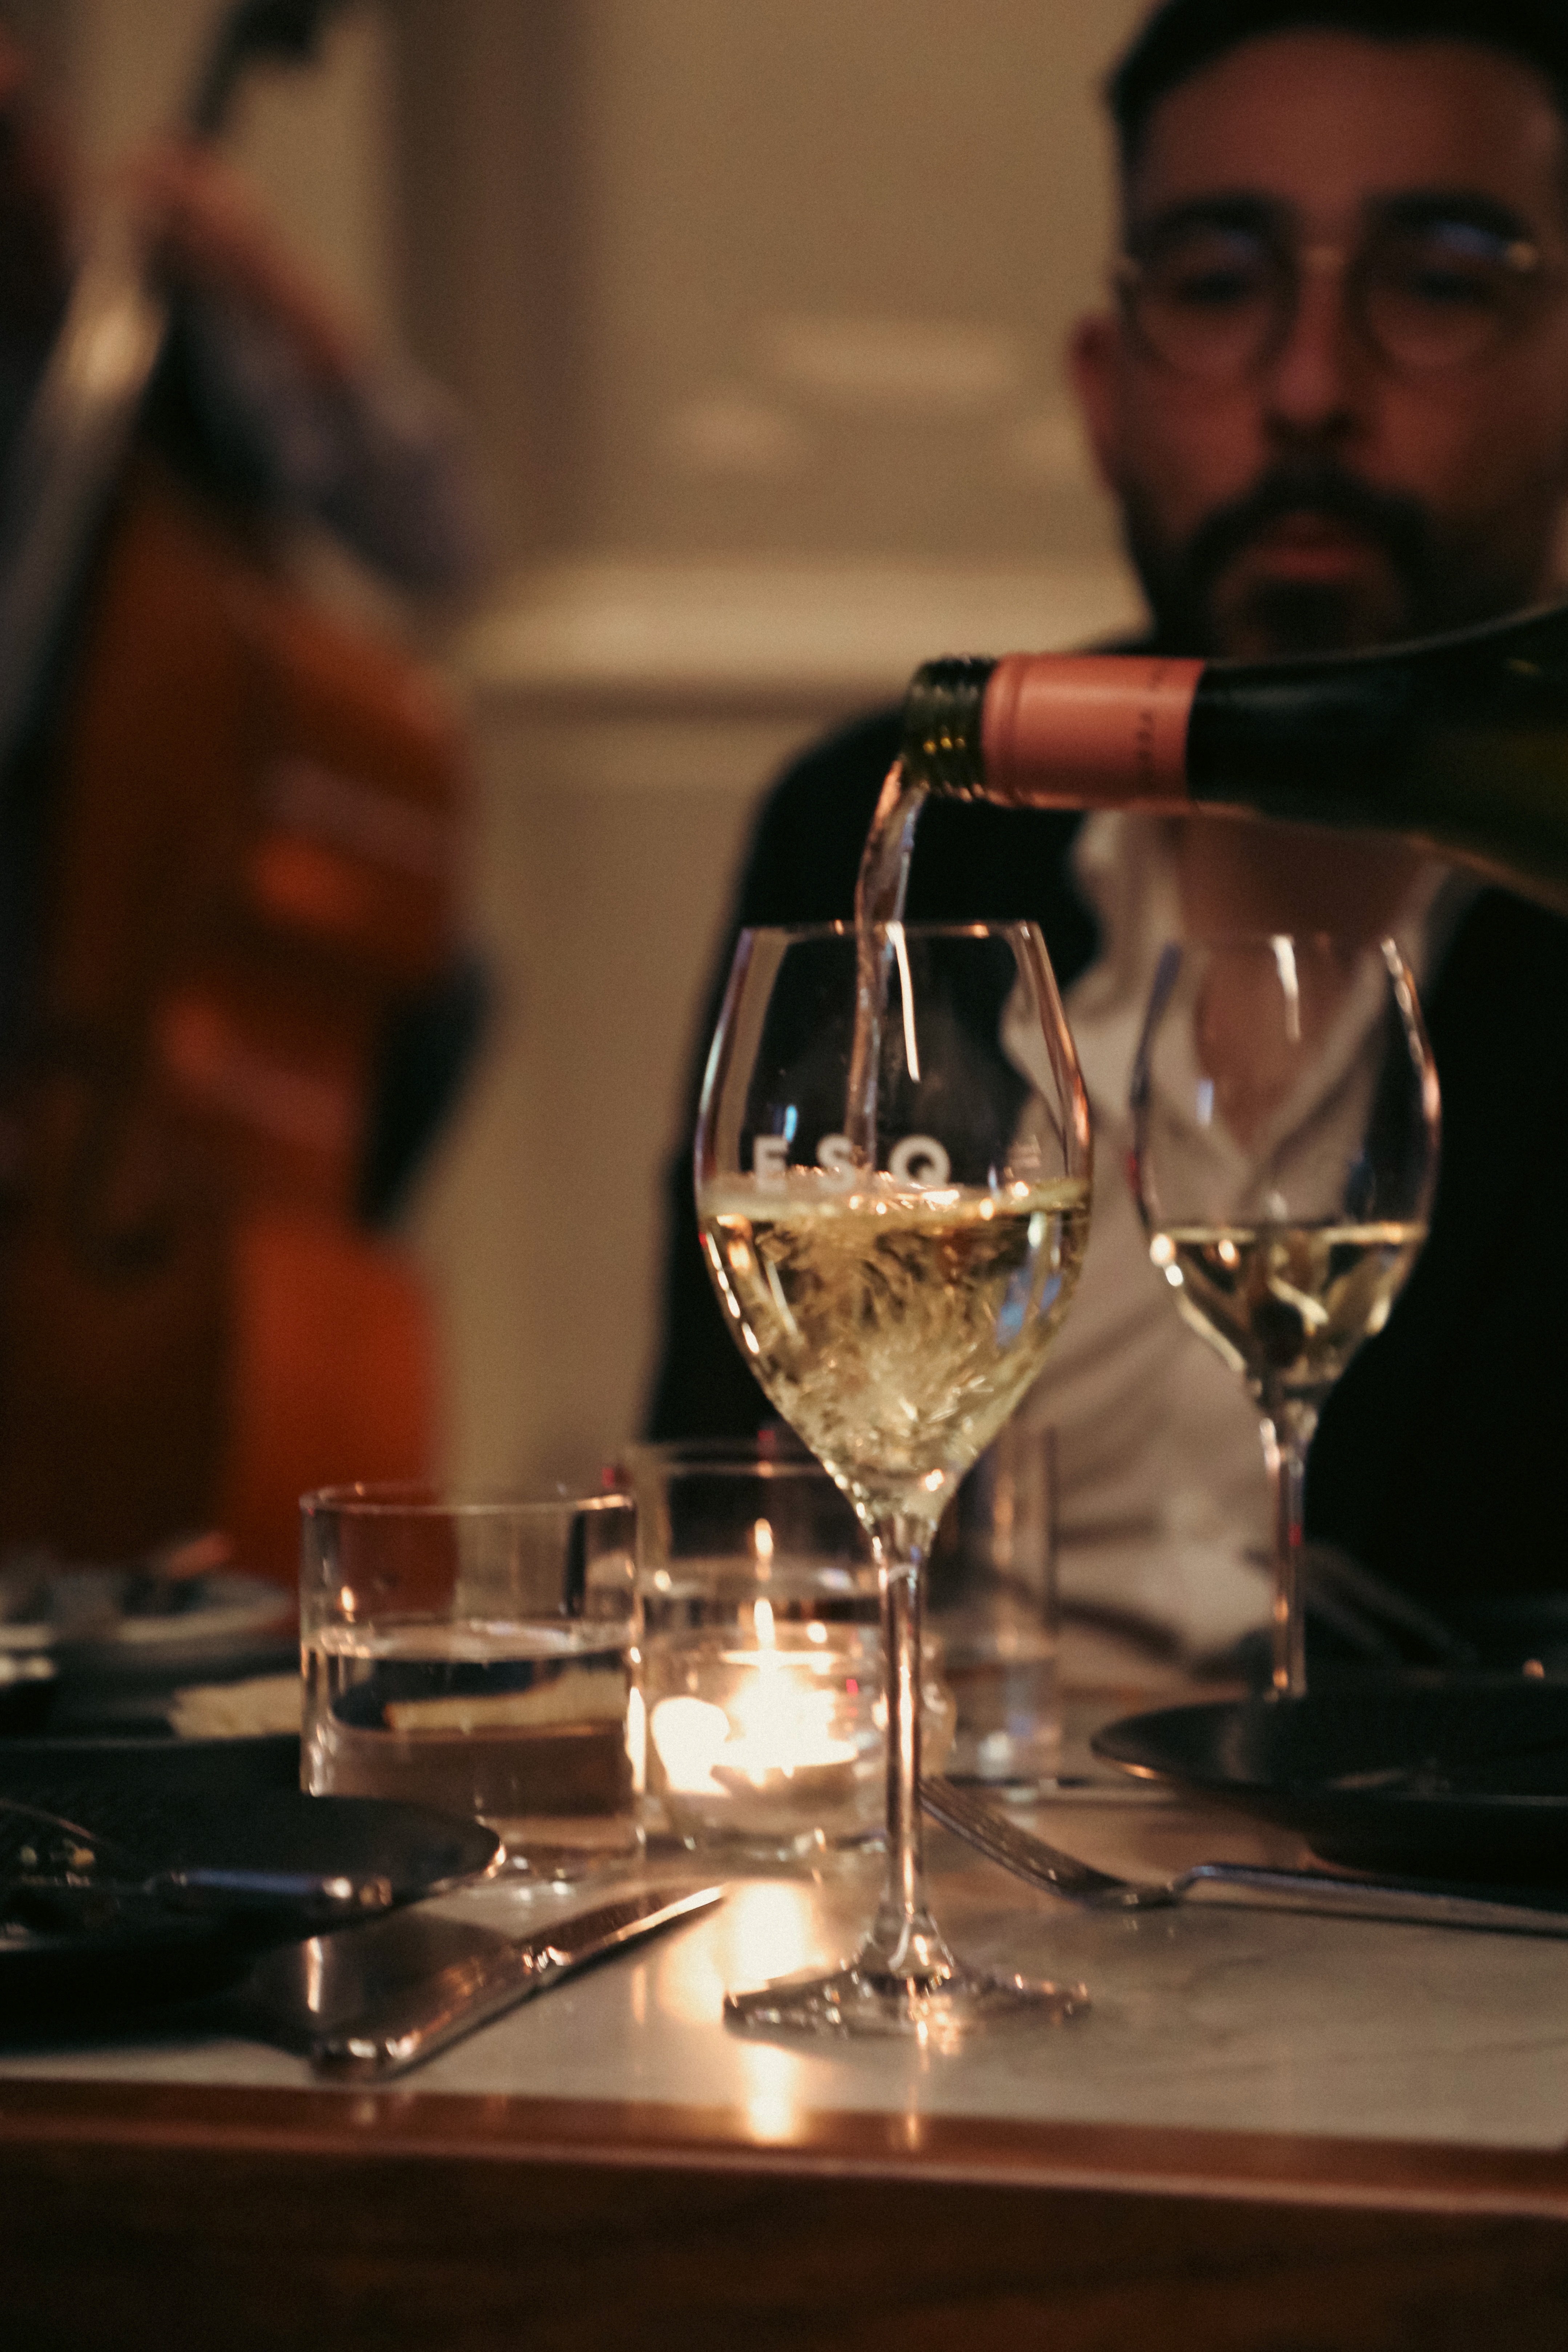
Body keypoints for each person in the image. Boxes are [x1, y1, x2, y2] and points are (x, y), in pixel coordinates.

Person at [648, 0, 1568, 1655]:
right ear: (1102, 390)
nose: (1308, 387)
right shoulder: (874, 830)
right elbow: (729, 1532)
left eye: (1434, 284)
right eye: (1217, 284)